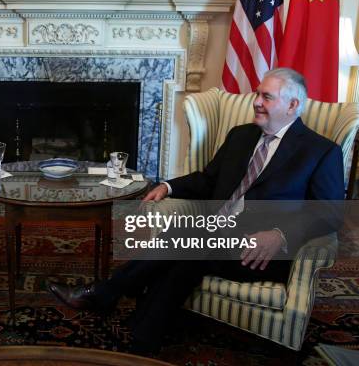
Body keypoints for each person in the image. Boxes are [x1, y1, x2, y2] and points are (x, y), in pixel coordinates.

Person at [47, 68, 344, 355]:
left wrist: (281, 235)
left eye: (266, 97)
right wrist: (168, 186)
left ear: (293, 105)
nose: (255, 102)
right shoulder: (241, 135)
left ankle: (107, 293)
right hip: (215, 236)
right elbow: (208, 180)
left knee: (186, 235)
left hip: (260, 250)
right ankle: (142, 340)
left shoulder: (320, 152)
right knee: (184, 261)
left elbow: (330, 214)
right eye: (257, 94)